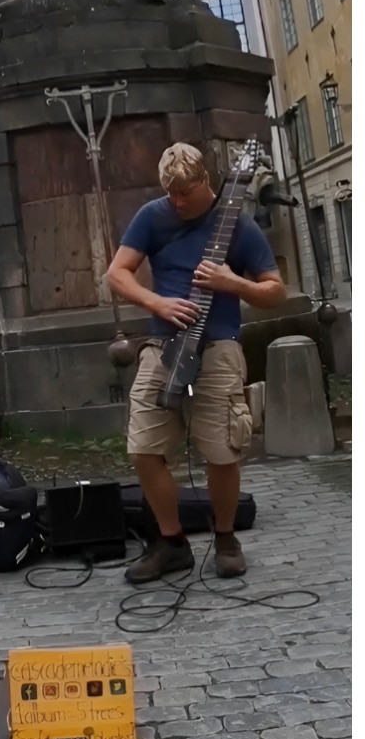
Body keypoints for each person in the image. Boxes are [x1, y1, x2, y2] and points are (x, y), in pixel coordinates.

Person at [105, 143, 284, 585]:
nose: (179, 200)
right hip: (163, 345)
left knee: (222, 451)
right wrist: (157, 302)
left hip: (219, 345)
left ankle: (226, 538)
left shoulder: (237, 225)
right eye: (172, 192)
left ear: (207, 181)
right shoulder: (153, 215)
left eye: (186, 191)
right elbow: (116, 273)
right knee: (142, 448)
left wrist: (232, 282)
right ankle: (172, 543)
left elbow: (275, 290)